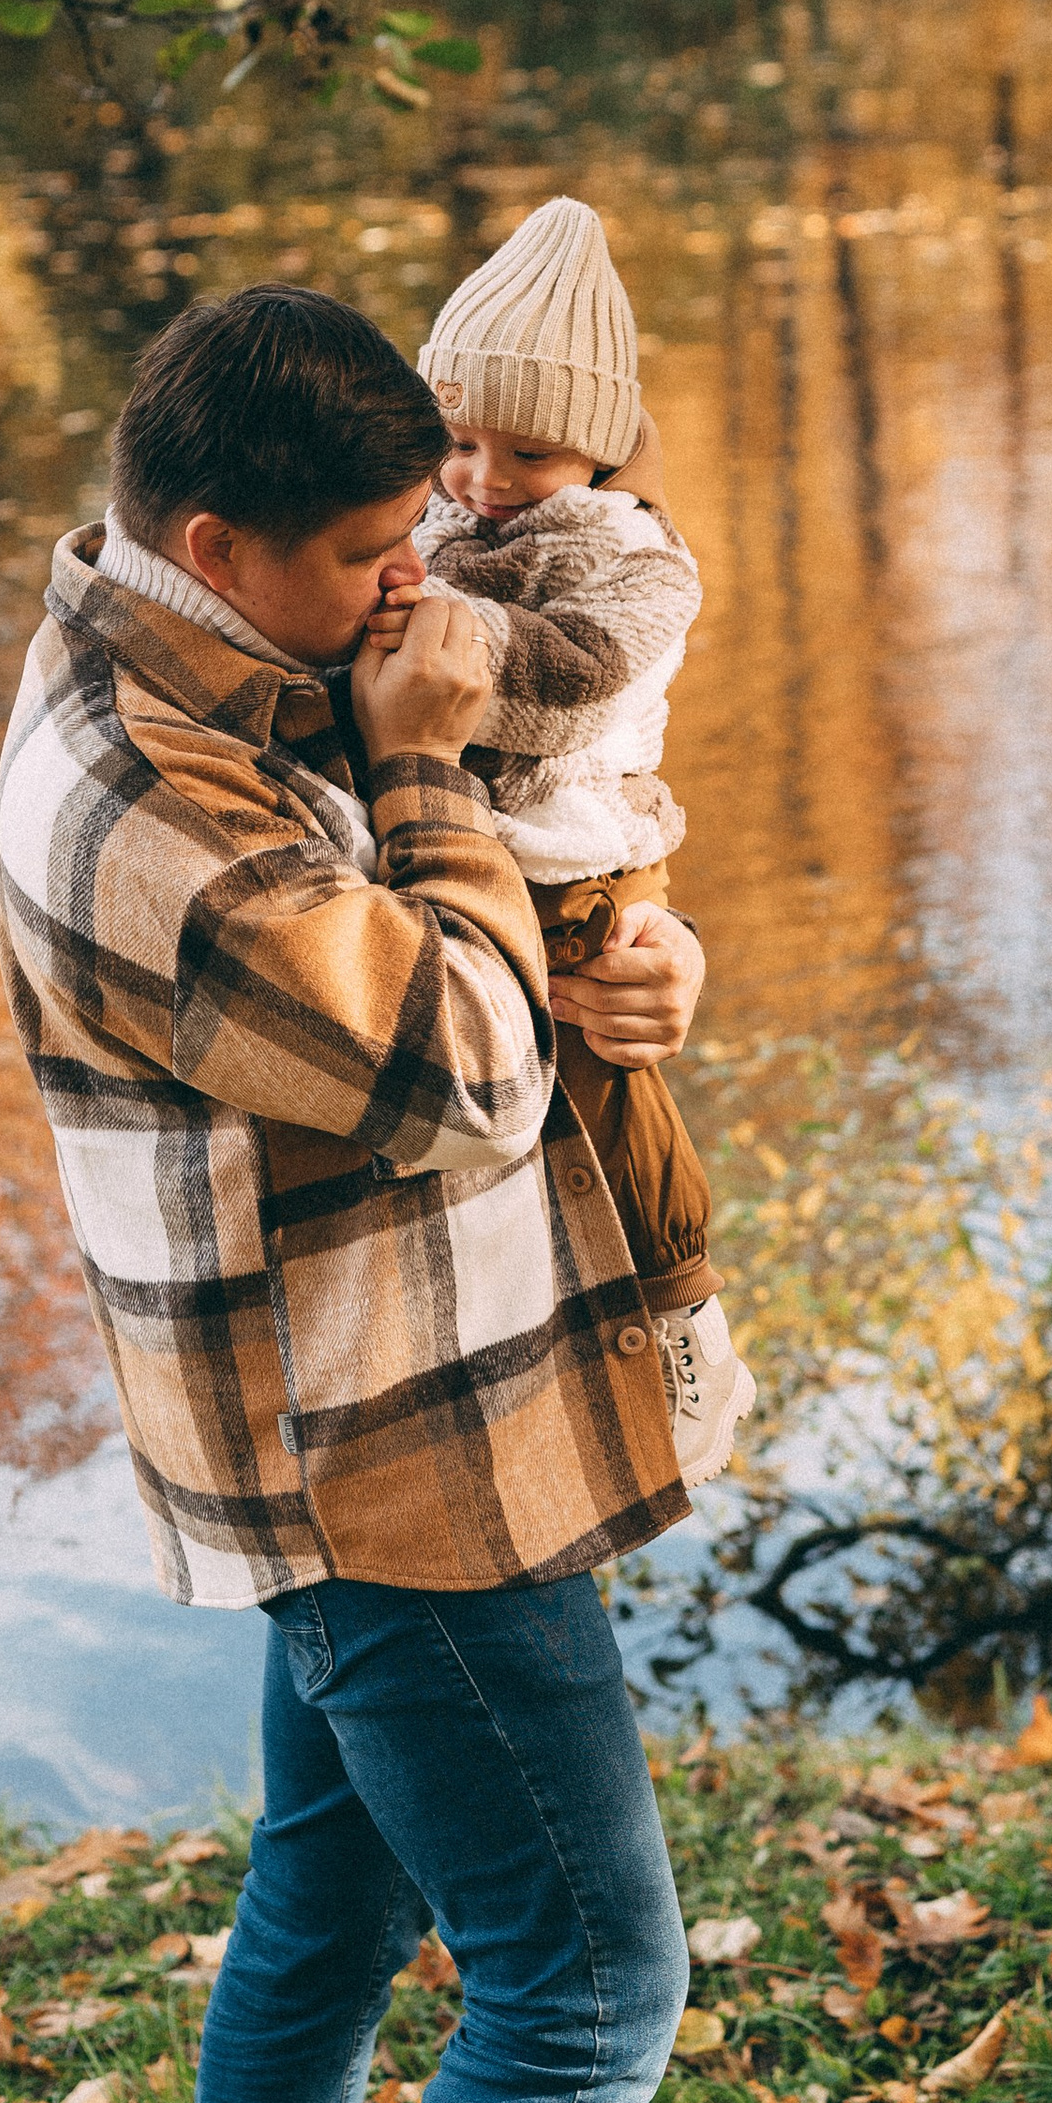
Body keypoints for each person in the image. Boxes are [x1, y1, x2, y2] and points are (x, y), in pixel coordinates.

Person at [0, 280, 704, 2103]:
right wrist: (432, 789)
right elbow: (464, 1071)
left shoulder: (190, 638)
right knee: (590, 1980)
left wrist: (629, 942)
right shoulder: (151, 818)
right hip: (390, 1446)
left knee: (327, 1903)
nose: (423, 586)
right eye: (380, 550)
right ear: (223, 532)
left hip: (372, 1392)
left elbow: (513, 926)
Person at [380, 192, 754, 1484]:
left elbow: (571, 681)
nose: (482, 483)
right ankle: (566, 1334)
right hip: (497, 864)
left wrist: (436, 641)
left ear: (595, 454)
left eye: (527, 456)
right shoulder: (435, 525)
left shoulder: (638, 562)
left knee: (600, 1085)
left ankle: (683, 1317)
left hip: (584, 862)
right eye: (459, 443)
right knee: (522, 1113)